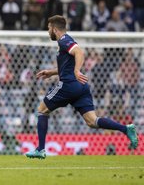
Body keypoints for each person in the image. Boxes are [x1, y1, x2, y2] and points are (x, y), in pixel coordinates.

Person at [25, 15, 138, 159]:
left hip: (68, 85)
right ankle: (126, 129)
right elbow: (67, 66)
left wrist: (77, 70)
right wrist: (52, 72)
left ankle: (40, 149)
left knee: (42, 110)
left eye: (48, 28)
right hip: (81, 86)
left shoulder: (64, 40)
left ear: (54, 29)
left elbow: (79, 52)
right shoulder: (65, 41)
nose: (48, 32)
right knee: (92, 121)